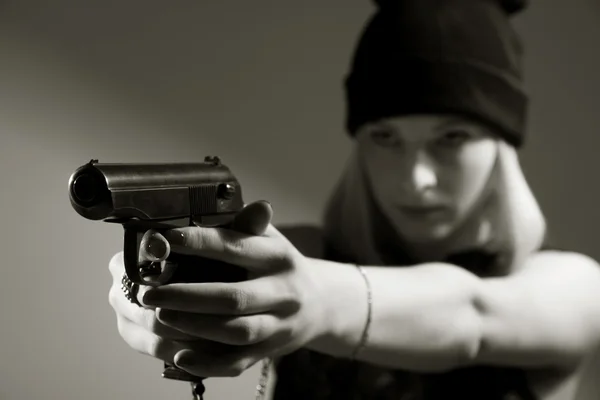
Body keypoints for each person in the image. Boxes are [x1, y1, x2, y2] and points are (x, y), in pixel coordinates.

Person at [107, 0, 600, 399]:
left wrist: (316, 302)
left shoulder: (574, 289)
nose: (416, 178)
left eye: (452, 138)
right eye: (386, 137)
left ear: (501, 149)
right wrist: (150, 297)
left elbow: (473, 316)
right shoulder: (300, 256)